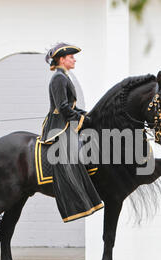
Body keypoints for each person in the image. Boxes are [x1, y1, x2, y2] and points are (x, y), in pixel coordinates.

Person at [38, 42, 104, 223]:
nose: (74, 59)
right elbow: (63, 107)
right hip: (59, 125)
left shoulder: (64, 76)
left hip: (66, 121)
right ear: (61, 59)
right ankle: (76, 196)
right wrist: (81, 119)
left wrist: (87, 115)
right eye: (71, 57)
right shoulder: (58, 78)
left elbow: (72, 106)